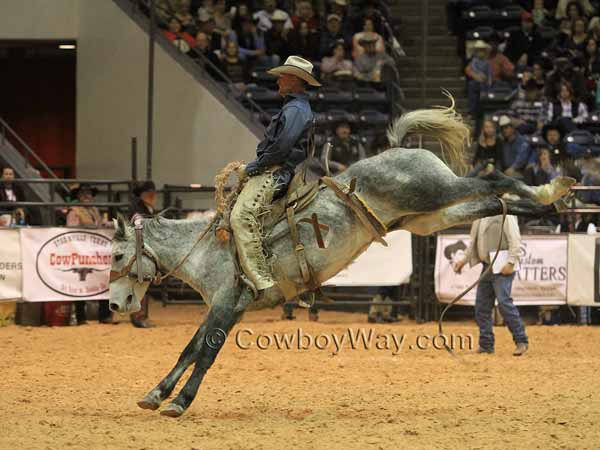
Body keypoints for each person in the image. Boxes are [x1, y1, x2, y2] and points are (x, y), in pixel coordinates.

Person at [230, 55, 319, 292]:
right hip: (276, 169)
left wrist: (254, 167)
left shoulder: (296, 110)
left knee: (241, 216)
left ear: (294, 79)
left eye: (283, 75)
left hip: (277, 173)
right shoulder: (294, 108)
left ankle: (260, 277)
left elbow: (281, 147)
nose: (278, 80)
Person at [454, 210, 529, 356]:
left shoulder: (505, 212)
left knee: (504, 302)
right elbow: (474, 241)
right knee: (482, 306)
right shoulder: (480, 214)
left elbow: (515, 239)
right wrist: (464, 260)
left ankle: (521, 340)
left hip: (502, 265)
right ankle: (486, 344)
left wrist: (511, 262)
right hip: (488, 265)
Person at [129, 181, 159, 328]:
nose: (152, 195)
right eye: (149, 193)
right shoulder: (138, 210)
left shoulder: (147, 208)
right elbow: (139, 227)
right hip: (138, 249)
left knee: (143, 282)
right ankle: (138, 316)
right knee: (140, 281)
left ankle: (142, 315)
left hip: (144, 248)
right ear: (142, 195)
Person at [465, 40, 492, 117]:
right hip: (476, 81)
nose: (481, 53)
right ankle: (471, 111)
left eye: (482, 50)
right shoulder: (474, 61)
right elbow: (473, 69)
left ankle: (481, 111)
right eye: (479, 51)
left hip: (485, 82)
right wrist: (477, 75)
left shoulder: (487, 62)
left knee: (484, 93)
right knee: (472, 86)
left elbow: (489, 73)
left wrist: (489, 81)